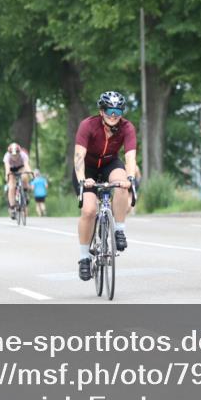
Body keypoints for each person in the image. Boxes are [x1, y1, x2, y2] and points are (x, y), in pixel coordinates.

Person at [74, 91, 139, 280]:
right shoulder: (88, 125)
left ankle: (119, 229)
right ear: (101, 111)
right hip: (87, 167)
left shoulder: (127, 128)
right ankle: (84, 258)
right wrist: (82, 179)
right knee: (88, 210)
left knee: (121, 184)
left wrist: (130, 177)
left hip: (110, 163)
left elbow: (130, 157)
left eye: (118, 111)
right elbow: (79, 157)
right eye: (109, 110)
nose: (113, 115)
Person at [3, 143, 32, 221]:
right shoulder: (7, 156)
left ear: (19, 152)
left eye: (16, 155)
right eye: (12, 155)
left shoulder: (23, 155)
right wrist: (7, 175)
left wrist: (30, 173)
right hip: (11, 169)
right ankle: (12, 207)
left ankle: (25, 192)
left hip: (21, 167)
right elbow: (7, 168)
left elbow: (26, 165)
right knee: (11, 186)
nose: (14, 156)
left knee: (25, 176)